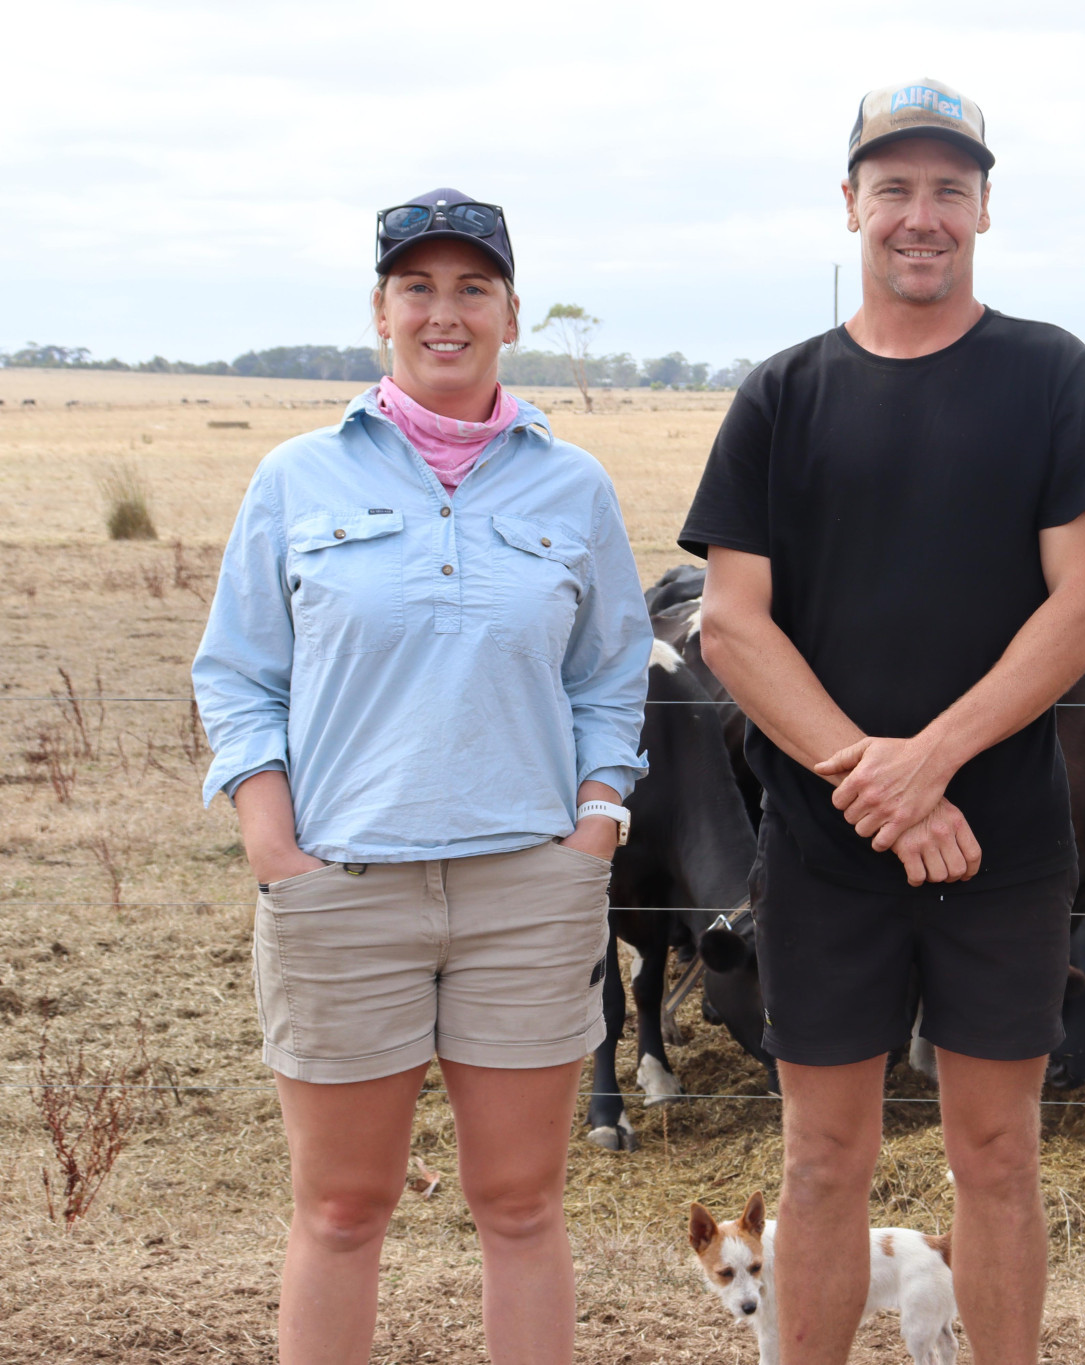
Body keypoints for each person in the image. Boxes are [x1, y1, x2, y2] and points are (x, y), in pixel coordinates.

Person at [680, 78, 1085, 1365]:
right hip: (824, 851)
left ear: (983, 206)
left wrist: (929, 764)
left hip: (1000, 845)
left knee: (996, 1154)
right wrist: (869, 784)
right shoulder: (782, 395)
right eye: (893, 188)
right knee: (823, 1160)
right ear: (850, 205)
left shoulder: (1050, 376)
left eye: (947, 188)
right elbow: (731, 626)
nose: (919, 214)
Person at [192, 189, 652, 1365]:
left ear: (507, 311)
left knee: (522, 1206)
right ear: (381, 310)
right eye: (417, 288)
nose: (443, 313)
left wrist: (594, 823)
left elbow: (609, 677)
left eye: (470, 288)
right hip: (342, 887)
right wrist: (273, 845)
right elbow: (239, 674)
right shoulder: (298, 480)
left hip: (525, 894)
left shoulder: (572, 488)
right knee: (343, 1210)